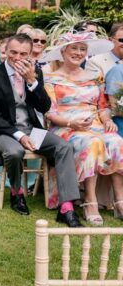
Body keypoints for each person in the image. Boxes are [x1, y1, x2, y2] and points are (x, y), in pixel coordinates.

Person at [0, 34, 82, 225]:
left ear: (29, 54)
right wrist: (19, 136)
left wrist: (31, 81)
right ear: (6, 51)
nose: (17, 57)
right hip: (4, 131)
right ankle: (17, 193)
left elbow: (43, 106)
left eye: (23, 53)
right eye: (13, 52)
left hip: (31, 129)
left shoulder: (34, 72)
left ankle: (66, 207)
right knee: (15, 151)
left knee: (64, 147)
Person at [42, 30, 123, 224]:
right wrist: (72, 123)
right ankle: (90, 200)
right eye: (74, 48)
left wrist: (107, 121)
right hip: (66, 127)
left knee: (116, 141)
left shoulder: (94, 76)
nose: (78, 53)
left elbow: (102, 106)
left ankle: (120, 201)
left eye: (82, 49)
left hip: (95, 123)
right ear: (63, 52)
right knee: (92, 142)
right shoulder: (51, 78)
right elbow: (50, 113)